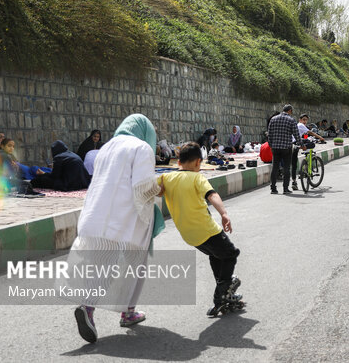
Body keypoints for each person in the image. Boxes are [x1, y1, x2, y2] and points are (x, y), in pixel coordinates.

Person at [68, 114, 165, 343]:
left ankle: (88, 307)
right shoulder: (141, 147)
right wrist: (160, 189)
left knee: (104, 265)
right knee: (135, 265)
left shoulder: (106, 147)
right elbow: (142, 187)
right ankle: (129, 312)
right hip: (127, 218)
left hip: (97, 215)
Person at [158, 142, 242, 316]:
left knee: (216, 255)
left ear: (178, 162)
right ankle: (221, 293)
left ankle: (225, 289)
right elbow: (212, 195)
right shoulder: (197, 178)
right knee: (231, 254)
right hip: (207, 230)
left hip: (189, 236)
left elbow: (156, 191)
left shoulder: (166, 178)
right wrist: (224, 214)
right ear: (198, 162)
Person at [267, 104, 303, 194]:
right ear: (290, 111)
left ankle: (273, 188)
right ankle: (285, 189)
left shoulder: (273, 119)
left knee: (275, 168)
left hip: (275, 147)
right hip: (286, 148)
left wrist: (271, 145)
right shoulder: (291, 120)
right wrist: (301, 144)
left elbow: (269, 134)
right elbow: (296, 135)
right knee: (286, 168)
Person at [291, 114, 325, 191]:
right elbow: (311, 133)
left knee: (294, 164)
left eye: (306, 120)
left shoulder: (299, 126)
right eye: (303, 119)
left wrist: (307, 138)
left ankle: (294, 182)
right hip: (297, 143)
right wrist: (321, 138)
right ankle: (304, 147)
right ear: (300, 120)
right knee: (312, 144)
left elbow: (305, 135)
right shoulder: (300, 125)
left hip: (293, 144)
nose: (305, 121)